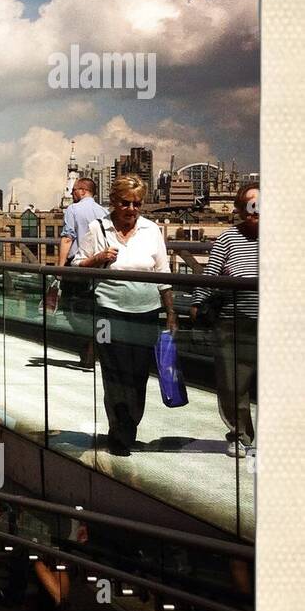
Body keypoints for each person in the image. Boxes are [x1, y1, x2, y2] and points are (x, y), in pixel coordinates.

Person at [81, 174, 177, 458]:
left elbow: (162, 273)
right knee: (113, 372)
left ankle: (129, 424)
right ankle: (119, 433)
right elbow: (76, 266)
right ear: (114, 201)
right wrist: (97, 259)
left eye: (137, 204)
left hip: (145, 314)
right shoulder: (97, 228)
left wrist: (170, 311)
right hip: (107, 313)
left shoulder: (151, 230)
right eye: (126, 203)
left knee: (137, 376)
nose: (131, 209)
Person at [190, 184, 259, 458]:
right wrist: (196, 303)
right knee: (233, 384)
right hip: (233, 322)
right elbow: (211, 274)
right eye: (251, 207)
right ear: (241, 210)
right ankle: (240, 436)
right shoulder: (228, 239)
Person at [57, 176, 107, 370]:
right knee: (94, 309)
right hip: (98, 268)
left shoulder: (73, 210)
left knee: (71, 309)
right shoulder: (104, 211)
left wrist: (60, 268)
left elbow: (68, 238)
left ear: (83, 191)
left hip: (77, 267)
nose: (72, 193)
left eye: (75, 190)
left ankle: (87, 350)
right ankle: (96, 350)